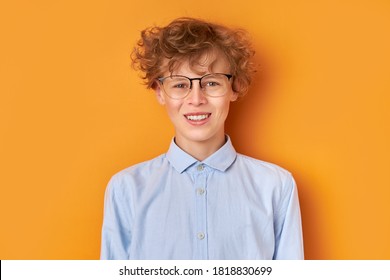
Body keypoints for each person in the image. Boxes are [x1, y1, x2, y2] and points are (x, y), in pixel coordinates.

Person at [100, 17, 304, 260]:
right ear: (160, 92)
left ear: (234, 88)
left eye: (211, 83)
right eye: (179, 85)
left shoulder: (276, 186)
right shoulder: (126, 189)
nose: (196, 99)